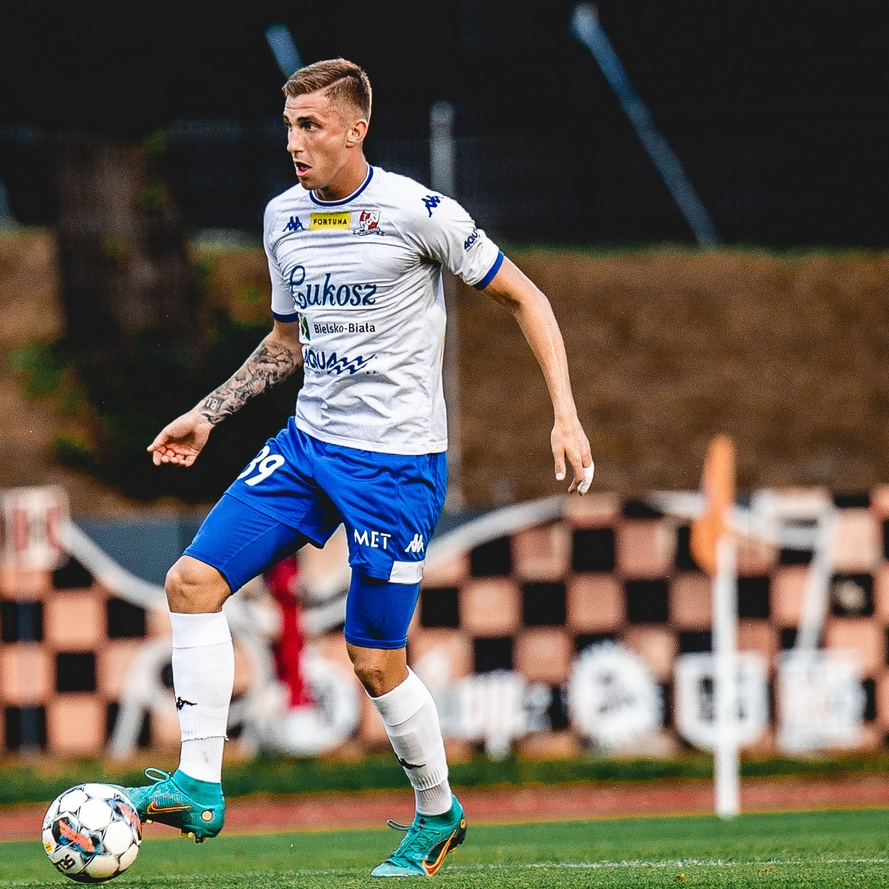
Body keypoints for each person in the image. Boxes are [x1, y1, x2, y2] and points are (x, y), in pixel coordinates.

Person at [124, 57, 594, 878]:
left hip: (396, 466)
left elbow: (530, 297)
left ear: (354, 129)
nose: (294, 142)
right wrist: (208, 413)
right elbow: (287, 343)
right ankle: (198, 783)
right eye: (288, 126)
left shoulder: (418, 213)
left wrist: (565, 414)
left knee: (374, 659)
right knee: (191, 582)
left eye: (310, 126)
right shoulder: (282, 217)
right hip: (307, 449)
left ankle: (438, 813)